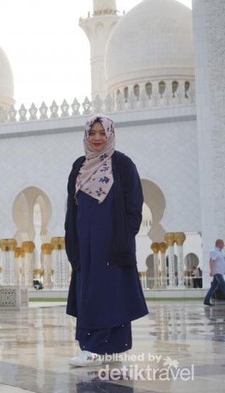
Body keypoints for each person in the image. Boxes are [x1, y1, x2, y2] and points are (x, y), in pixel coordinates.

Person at [65, 113, 148, 367]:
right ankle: (106, 346)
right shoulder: (79, 165)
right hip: (85, 241)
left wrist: (124, 234)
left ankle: (93, 349)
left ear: (110, 135)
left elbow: (135, 204)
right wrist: (73, 240)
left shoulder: (122, 164)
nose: (98, 138)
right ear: (86, 136)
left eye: (102, 133)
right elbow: (73, 206)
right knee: (89, 291)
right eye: (93, 133)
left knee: (107, 291)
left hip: (111, 243)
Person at [203, 239, 225, 306]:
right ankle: (206, 300)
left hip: (220, 272)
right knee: (223, 285)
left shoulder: (221, 252)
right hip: (217, 272)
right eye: (223, 244)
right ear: (219, 244)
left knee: (213, 287)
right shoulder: (214, 251)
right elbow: (211, 261)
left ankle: (206, 300)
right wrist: (211, 271)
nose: (224, 245)